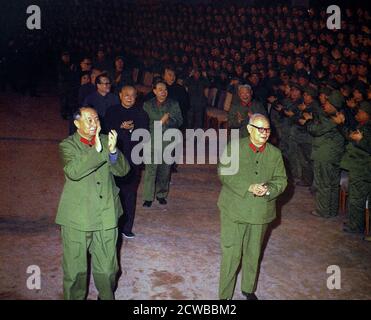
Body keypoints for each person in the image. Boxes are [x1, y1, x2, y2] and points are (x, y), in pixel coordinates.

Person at [56, 106, 130, 300]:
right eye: (88, 120)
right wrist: (98, 149)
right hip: (76, 218)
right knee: (75, 273)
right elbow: (74, 172)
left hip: (106, 214)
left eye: (96, 119)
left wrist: (113, 152)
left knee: (107, 271)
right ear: (76, 123)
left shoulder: (108, 141)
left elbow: (123, 171)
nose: (93, 124)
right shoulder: (67, 145)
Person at [217, 114, 287, 300]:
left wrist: (268, 189)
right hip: (234, 209)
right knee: (231, 254)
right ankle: (224, 297)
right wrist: (249, 186)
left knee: (253, 252)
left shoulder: (274, 153)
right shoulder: (235, 147)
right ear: (249, 129)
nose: (264, 133)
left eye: (267, 129)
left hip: (260, 212)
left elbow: (281, 180)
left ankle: (248, 288)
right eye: (260, 129)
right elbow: (224, 173)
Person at [105, 86, 149, 238]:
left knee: (129, 193)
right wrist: (120, 128)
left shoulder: (141, 114)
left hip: (133, 159)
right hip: (114, 158)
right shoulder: (112, 111)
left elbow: (144, 136)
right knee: (112, 191)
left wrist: (131, 130)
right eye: (126, 95)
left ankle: (127, 227)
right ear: (120, 95)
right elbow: (106, 131)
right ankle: (111, 225)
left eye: (132, 95)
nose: (129, 98)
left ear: (136, 97)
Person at [142, 77, 183, 207]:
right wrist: (161, 121)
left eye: (165, 89)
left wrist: (167, 121)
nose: (163, 92)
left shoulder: (173, 104)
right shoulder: (147, 105)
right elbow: (146, 123)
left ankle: (161, 195)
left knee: (165, 171)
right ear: (154, 91)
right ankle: (148, 197)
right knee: (150, 171)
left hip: (168, 142)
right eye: (160, 90)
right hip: (152, 142)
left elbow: (179, 120)